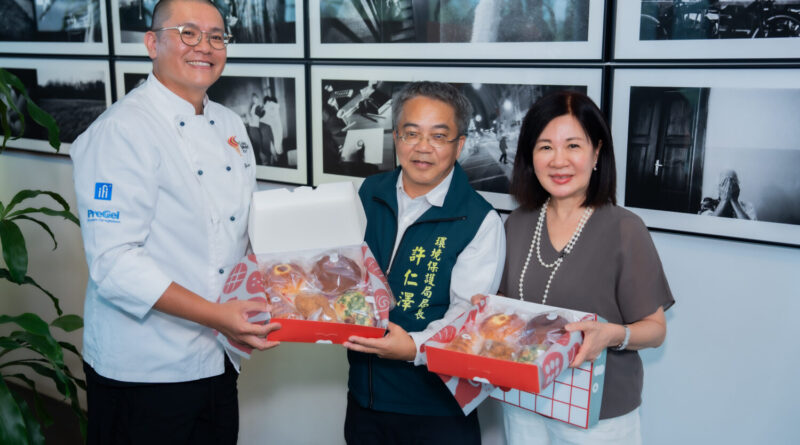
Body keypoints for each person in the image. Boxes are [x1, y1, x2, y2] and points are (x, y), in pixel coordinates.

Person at [69, 1, 280, 443]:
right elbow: (115, 263)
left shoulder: (230, 124)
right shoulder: (121, 131)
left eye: (217, 36)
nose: (205, 46)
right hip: (145, 366)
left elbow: (240, 231)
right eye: (188, 33)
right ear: (152, 43)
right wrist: (219, 316)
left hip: (219, 356)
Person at [500, 91, 674, 444]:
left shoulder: (625, 228)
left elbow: (655, 331)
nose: (558, 160)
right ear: (530, 156)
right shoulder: (516, 223)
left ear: (596, 153)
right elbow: (507, 306)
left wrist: (613, 335)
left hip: (597, 415)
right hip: (523, 401)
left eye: (573, 146)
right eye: (545, 146)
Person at [343, 81, 506, 445]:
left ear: (459, 145)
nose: (423, 147)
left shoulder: (478, 220)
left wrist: (413, 347)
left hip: (437, 410)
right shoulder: (369, 192)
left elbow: (466, 318)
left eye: (439, 136)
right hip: (365, 397)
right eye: (412, 133)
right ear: (396, 136)